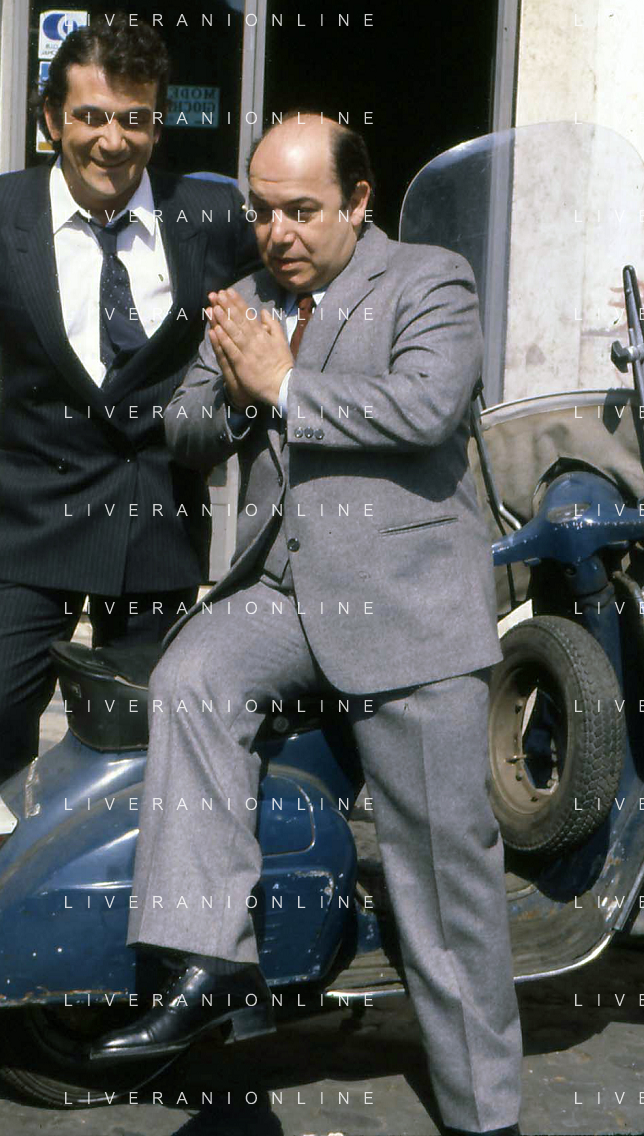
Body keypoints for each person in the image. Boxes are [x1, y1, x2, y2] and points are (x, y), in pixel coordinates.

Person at [89, 115, 523, 1136]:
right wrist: (242, 396)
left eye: (300, 210)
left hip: (407, 603)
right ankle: (212, 963)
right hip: (283, 593)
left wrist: (282, 384)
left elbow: (423, 406)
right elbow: (187, 424)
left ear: (358, 202)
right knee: (191, 678)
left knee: (441, 875)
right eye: (262, 211)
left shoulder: (430, 280)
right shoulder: (245, 298)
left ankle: (484, 1110)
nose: (276, 232)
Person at [0, 13, 255, 1057]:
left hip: (155, 528)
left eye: (134, 119)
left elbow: (305, 263)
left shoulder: (207, 217)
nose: (111, 139)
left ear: (156, 126)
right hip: (31, 526)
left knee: (158, 759)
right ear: (51, 117)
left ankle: (149, 973)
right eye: (89, 115)